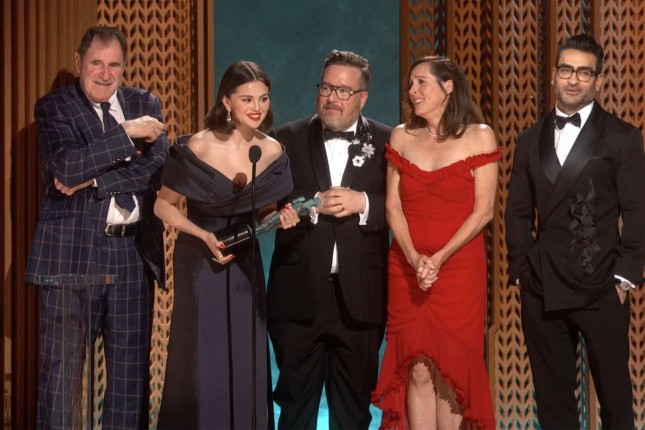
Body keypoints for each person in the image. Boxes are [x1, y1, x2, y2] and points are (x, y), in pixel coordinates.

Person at [26, 26, 169, 429]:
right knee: (62, 381)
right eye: (96, 63)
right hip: (71, 257)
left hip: (131, 256)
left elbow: (158, 169)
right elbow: (66, 167)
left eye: (114, 65)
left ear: (124, 67)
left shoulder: (144, 103)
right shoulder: (55, 108)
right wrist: (127, 133)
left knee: (129, 383)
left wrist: (94, 180)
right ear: (79, 63)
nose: (105, 74)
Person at [505, 34, 645, 429]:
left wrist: (625, 277)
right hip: (542, 284)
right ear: (553, 74)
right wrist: (521, 269)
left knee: (615, 398)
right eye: (566, 69)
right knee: (553, 402)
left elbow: (638, 212)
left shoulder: (622, 136)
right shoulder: (529, 139)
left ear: (598, 80)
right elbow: (517, 210)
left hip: (602, 285)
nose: (573, 79)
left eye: (584, 72)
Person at [154, 60, 299, 429]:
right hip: (200, 259)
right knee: (203, 355)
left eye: (263, 98)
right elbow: (162, 206)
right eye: (247, 99)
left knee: (245, 351)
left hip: (244, 261)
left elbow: (265, 212)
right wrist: (202, 234)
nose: (257, 107)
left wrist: (280, 217)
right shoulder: (198, 146)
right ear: (226, 101)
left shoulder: (271, 151)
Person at [372, 56, 499, 429]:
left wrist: (438, 258)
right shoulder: (401, 136)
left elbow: (484, 211)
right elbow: (393, 207)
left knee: (451, 369)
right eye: (410, 84)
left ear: (448, 87)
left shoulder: (480, 136)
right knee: (417, 368)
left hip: (458, 270)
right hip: (407, 269)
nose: (412, 91)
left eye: (421, 82)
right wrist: (415, 258)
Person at [267, 50, 391, 429]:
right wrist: (295, 209)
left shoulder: (388, 141)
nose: (332, 98)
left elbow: (406, 207)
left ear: (363, 97)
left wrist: (363, 202)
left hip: (361, 299)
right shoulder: (284, 139)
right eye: (326, 88)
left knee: (353, 412)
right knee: (294, 409)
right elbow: (264, 206)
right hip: (298, 295)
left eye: (343, 90)